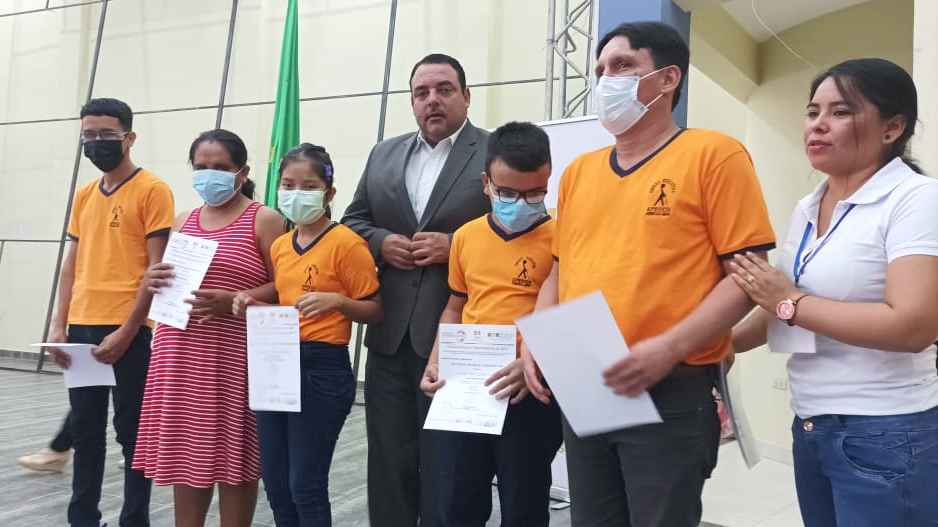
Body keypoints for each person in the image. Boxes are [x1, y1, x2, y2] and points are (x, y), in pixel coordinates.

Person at [521, 22, 776, 526]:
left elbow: (749, 276)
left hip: (670, 391)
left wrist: (668, 347)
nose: (605, 80)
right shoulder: (579, 173)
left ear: (667, 78)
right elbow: (559, 272)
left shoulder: (713, 155)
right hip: (587, 387)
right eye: (600, 70)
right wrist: (538, 338)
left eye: (622, 66)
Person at [730, 58, 938, 527]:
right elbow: (782, 303)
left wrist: (788, 302)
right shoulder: (809, 207)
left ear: (892, 128)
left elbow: (913, 326)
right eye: (812, 112)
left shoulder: (917, 198)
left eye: (840, 112)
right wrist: (723, 346)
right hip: (811, 423)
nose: (818, 124)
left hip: (885, 432)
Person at [342, 53, 491, 527]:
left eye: (444, 90)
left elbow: (520, 225)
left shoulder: (494, 150)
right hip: (389, 333)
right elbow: (353, 221)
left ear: (466, 96)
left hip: (459, 335)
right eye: (421, 93)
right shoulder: (383, 154)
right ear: (411, 102)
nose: (432, 100)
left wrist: (457, 245)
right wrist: (382, 242)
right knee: (389, 461)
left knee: (452, 464)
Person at [132, 129, 284, 527]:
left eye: (220, 167)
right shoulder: (183, 220)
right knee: (186, 454)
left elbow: (285, 285)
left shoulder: (265, 219)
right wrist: (153, 280)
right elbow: (171, 280)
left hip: (232, 358)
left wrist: (234, 299)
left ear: (242, 172)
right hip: (178, 355)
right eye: (200, 167)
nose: (208, 174)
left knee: (235, 459)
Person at [420, 122, 563, 527]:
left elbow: (569, 317)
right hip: (468, 391)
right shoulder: (466, 237)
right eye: (507, 193)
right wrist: (435, 361)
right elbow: (455, 307)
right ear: (486, 183)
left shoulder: (563, 237)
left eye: (534, 193)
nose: (521, 203)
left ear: (548, 182)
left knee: (524, 505)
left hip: (528, 393)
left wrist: (534, 363)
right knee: (457, 503)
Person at [235, 143, 383, 526]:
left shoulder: (347, 243)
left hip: (321, 367)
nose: (296, 194)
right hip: (276, 362)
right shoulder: (282, 246)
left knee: (305, 485)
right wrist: (251, 302)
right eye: (288, 185)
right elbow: (285, 297)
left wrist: (339, 302)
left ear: (329, 193)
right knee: (277, 485)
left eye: (309, 186)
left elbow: (375, 309)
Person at [44, 97, 175, 527]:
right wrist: (59, 325)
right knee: (85, 431)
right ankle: (82, 518)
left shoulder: (153, 190)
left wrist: (129, 330)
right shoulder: (85, 195)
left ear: (129, 137)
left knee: (131, 432)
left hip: (129, 329)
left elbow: (156, 270)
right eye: (88, 135)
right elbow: (71, 265)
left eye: (106, 134)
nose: (95, 142)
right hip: (81, 326)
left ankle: (134, 519)